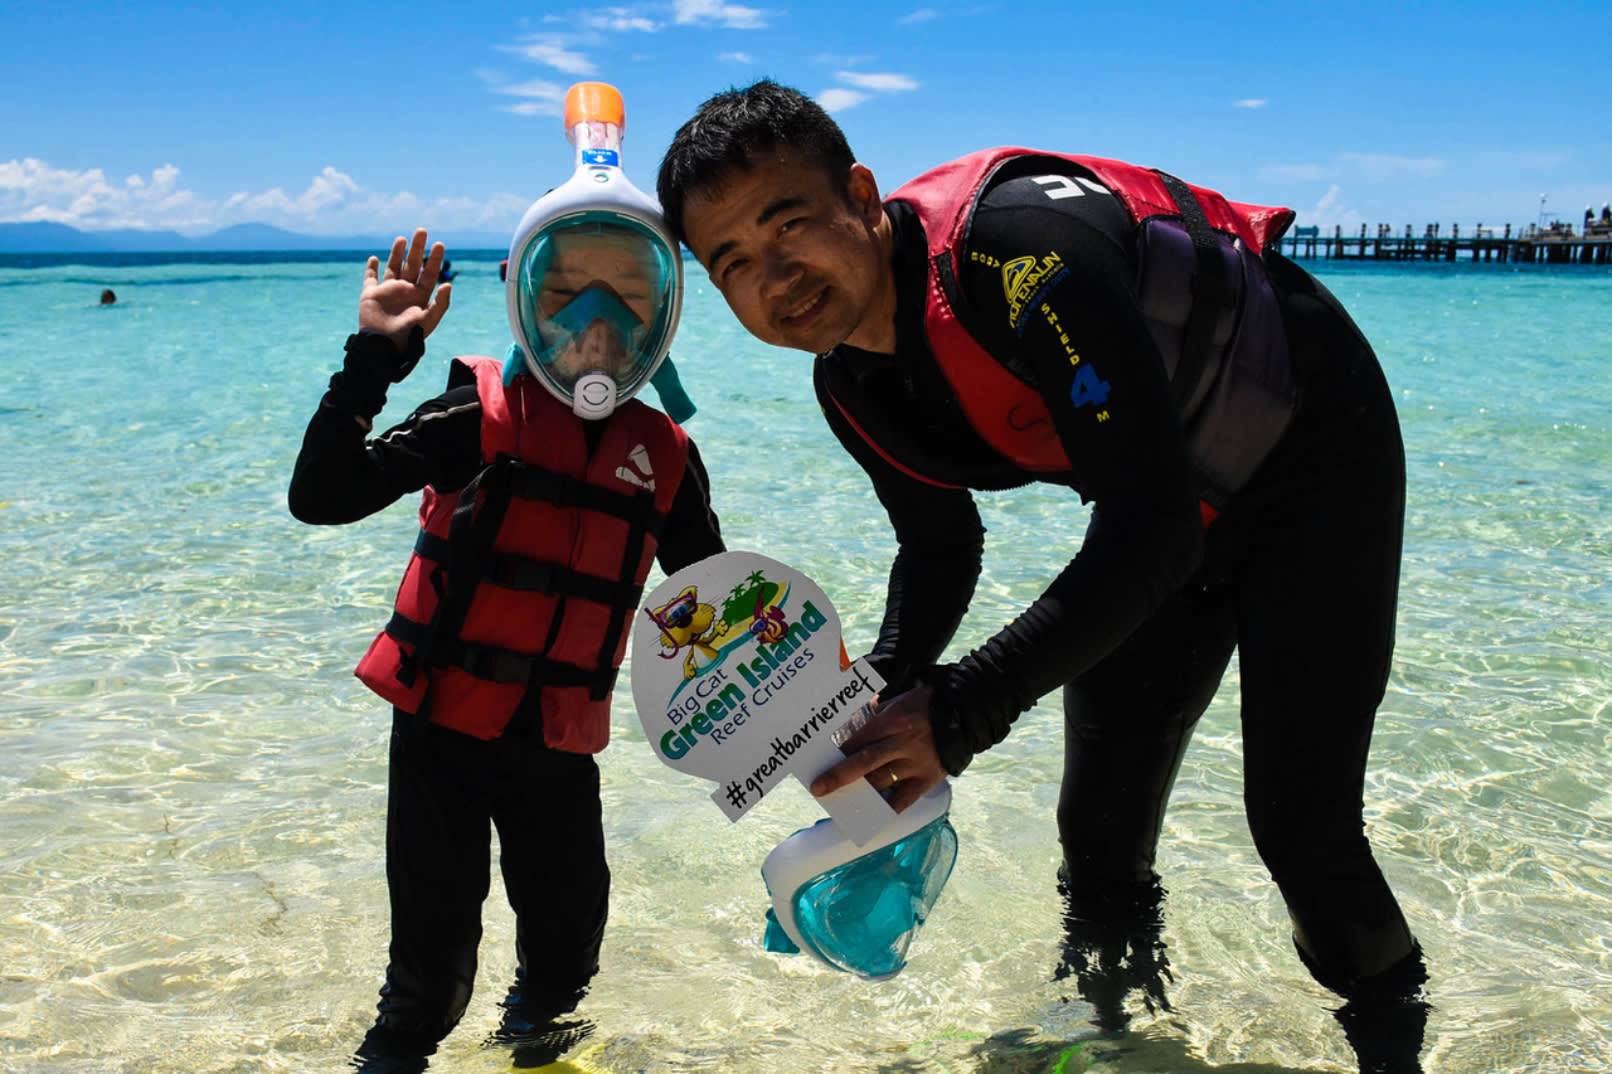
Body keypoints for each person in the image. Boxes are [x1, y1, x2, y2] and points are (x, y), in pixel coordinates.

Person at [657, 79, 1427, 1071]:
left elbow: (1148, 529)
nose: (776, 275)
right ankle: (1113, 1045)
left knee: (1302, 833)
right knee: (1097, 835)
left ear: (860, 195)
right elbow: (940, 548)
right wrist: (876, 695)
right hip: (1167, 516)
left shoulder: (1017, 257)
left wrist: (960, 712)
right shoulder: (851, 384)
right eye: (732, 262)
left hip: (1311, 459)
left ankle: (1394, 1047)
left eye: (788, 224)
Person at [290, 81, 723, 1072]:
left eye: (630, 294)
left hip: (557, 752)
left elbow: (719, 613)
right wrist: (374, 358)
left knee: (566, 964)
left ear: (665, 312)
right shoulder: (470, 422)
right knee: (428, 988)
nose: (598, 322)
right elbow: (320, 496)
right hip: (440, 735)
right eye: (568, 291)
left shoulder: (663, 458)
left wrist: (816, 730)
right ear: (523, 297)